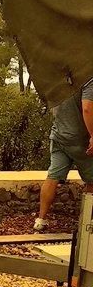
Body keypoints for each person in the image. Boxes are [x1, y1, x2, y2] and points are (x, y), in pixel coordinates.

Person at [34, 77, 93, 231]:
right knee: (92, 181)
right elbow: (87, 108)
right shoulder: (87, 79)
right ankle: (85, 222)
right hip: (80, 140)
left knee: (53, 176)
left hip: (59, 135)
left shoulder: (60, 76)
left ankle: (41, 220)